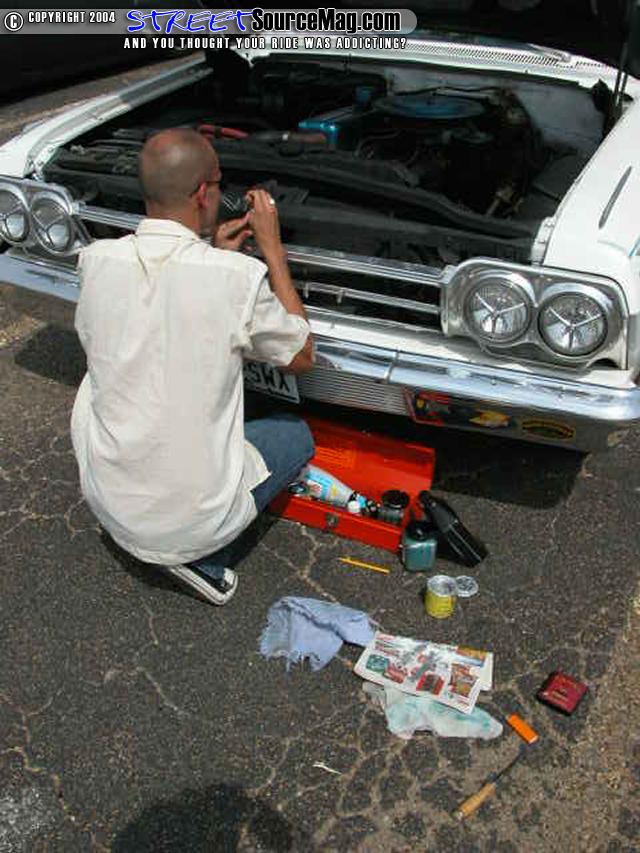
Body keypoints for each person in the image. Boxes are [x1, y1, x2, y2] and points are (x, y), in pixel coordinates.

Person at [71, 127, 315, 606]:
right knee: (295, 435)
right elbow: (301, 357)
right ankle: (202, 558)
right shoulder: (237, 278)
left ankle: (152, 530)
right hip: (192, 525)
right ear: (204, 193)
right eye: (220, 184)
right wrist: (273, 251)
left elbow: (165, 311)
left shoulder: (95, 260)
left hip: (108, 502)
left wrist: (216, 255)